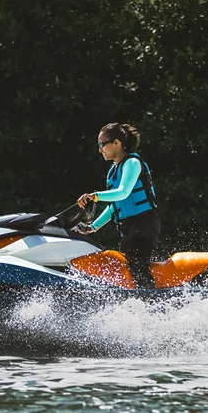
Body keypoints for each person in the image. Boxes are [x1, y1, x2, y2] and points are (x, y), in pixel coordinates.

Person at [77, 122, 161, 289]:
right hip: (127, 228)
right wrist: (93, 227)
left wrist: (95, 196)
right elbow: (116, 204)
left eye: (102, 144)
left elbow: (123, 192)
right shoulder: (113, 170)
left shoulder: (132, 163)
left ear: (116, 143)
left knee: (137, 267)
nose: (100, 149)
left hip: (144, 224)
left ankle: (153, 305)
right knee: (126, 270)